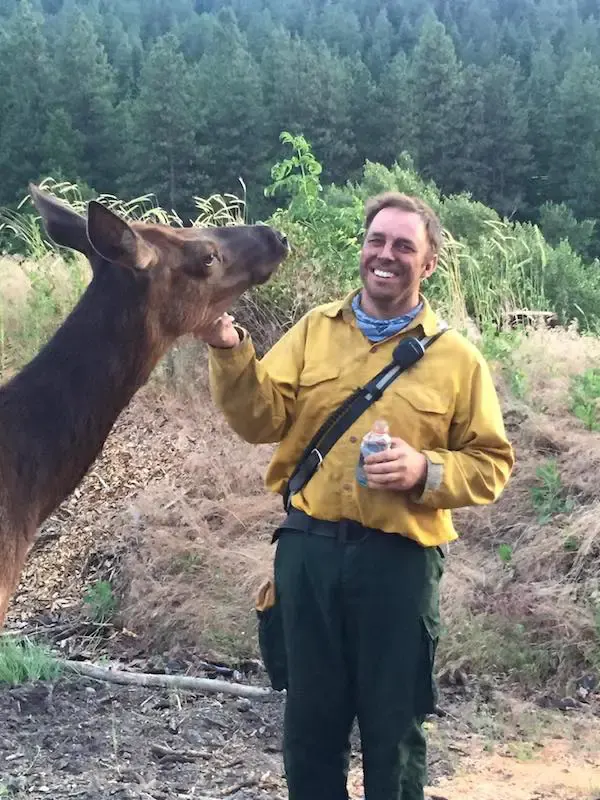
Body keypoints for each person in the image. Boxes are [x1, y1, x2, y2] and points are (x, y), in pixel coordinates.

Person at [198, 192, 514, 800]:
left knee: (393, 735)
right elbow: (260, 419)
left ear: (428, 265)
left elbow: (493, 465)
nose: (386, 255)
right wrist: (226, 344)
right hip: (309, 555)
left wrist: (425, 470)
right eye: (377, 241)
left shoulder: (457, 360)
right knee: (310, 732)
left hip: (399, 564)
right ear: (363, 248)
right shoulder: (316, 330)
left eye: (404, 246)